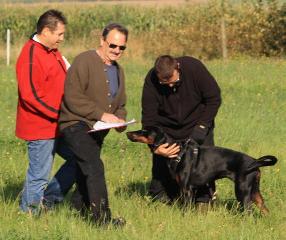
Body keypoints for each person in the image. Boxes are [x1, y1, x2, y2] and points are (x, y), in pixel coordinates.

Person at [58, 23, 128, 227]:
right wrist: (102, 114)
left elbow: (120, 103)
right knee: (95, 167)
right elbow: (72, 98)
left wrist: (120, 119)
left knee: (85, 168)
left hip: (98, 129)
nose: (117, 50)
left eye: (122, 47)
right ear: (102, 41)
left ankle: (78, 209)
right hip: (75, 124)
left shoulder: (119, 70)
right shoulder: (84, 60)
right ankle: (102, 221)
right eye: (113, 45)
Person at [16, 9, 76, 214]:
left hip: (60, 124)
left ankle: (49, 200)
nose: (62, 38)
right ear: (45, 31)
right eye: (59, 34)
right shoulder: (31, 55)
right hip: (41, 127)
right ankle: (28, 215)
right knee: (39, 175)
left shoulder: (52, 51)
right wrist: (58, 114)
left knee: (81, 158)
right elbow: (30, 96)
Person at [142, 55, 221, 208]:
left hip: (197, 123)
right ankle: (161, 199)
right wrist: (155, 147)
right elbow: (149, 117)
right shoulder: (151, 80)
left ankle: (204, 199)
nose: (170, 86)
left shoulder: (194, 68)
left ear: (178, 68)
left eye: (173, 82)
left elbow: (214, 98)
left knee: (203, 164)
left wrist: (202, 126)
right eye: (164, 83)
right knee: (163, 165)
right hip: (167, 128)